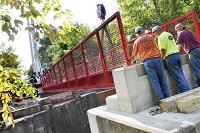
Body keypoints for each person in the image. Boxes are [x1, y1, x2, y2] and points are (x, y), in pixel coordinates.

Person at [132, 26, 170, 101]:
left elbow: (134, 56)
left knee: (155, 81)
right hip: (158, 59)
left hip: (148, 62)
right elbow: (156, 47)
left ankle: (161, 100)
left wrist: (133, 62)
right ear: (143, 31)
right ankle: (168, 98)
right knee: (163, 79)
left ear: (137, 34)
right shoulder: (151, 36)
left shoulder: (136, 42)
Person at [152, 26, 190, 93]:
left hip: (170, 57)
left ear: (156, 31)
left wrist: (162, 58)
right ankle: (188, 89)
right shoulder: (168, 34)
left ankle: (185, 91)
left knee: (177, 76)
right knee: (181, 74)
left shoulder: (160, 37)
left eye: (153, 33)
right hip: (177, 55)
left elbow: (163, 50)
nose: (153, 35)